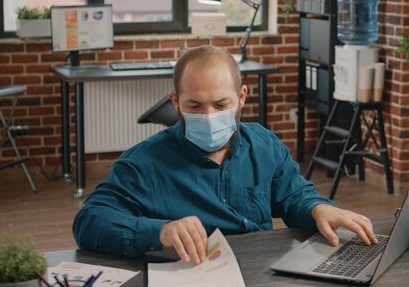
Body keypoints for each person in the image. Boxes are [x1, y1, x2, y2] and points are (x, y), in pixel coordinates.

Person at [73, 45, 378, 262]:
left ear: (241, 97)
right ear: (175, 101)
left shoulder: (263, 144)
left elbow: (293, 196)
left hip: (261, 275)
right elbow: (89, 222)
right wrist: (159, 231)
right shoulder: (142, 164)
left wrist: (317, 209)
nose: (208, 115)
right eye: (194, 106)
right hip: (191, 285)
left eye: (221, 105)